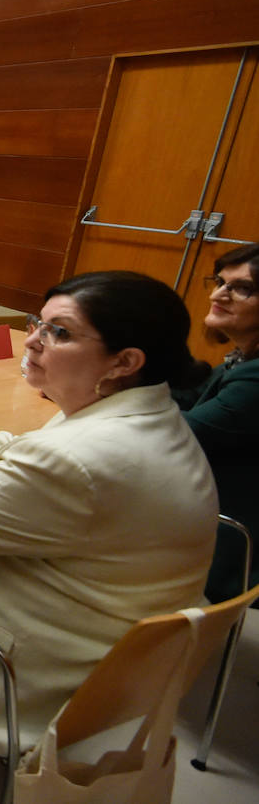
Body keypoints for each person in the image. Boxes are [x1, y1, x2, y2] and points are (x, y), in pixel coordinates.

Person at [0, 271, 217, 755]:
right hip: (114, 642)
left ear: (124, 361)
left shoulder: (80, 454)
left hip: (46, 665)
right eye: (39, 324)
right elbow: (12, 446)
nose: (31, 341)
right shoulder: (137, 412)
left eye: (60, 333)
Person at [175, 243, 259, 601]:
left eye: (241, 287)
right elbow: (189, 399)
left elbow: (179, 435)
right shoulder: (242, 361)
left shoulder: (255, 381)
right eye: (221, 281)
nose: (219, 294)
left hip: (227, 547)